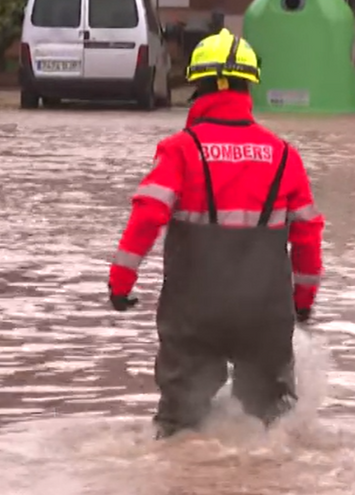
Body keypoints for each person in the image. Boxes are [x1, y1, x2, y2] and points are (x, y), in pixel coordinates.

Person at [107, 28, 325, 439]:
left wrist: (121, 280)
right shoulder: (284, 155)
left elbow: (147, 216)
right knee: (274, 427)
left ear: (200, 86)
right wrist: (303, 301)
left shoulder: (181, 150)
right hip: (264, 315)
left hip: (195, 315)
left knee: (179, 427)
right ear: (247, 86)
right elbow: (309, 235)